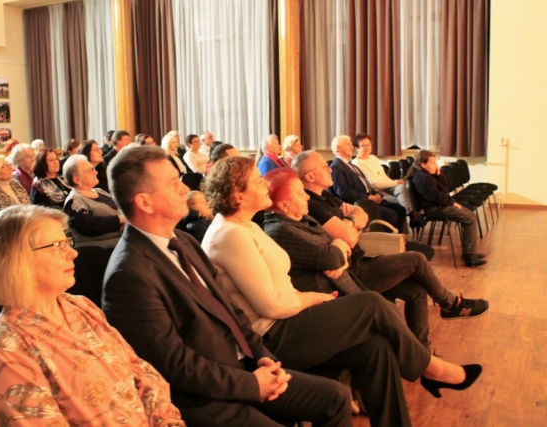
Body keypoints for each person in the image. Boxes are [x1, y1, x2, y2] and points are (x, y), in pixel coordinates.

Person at [201, 156, 484, 427]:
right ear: (238, 196)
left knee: (376, 349)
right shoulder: (229, 235)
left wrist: (325, 272)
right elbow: (272, 305)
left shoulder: (246, 226)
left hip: (287, 320)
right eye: (257, 181)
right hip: (270, 337)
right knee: (371, 304)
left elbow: (305, 272)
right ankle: (431, 368)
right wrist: (314, 298)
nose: (265, 183)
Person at [103, 146, 352, 427]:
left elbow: (231, 310)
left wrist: (265, 360)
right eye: (173, 183)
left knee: (335, 398)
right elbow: (173, 365)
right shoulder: (128, 275)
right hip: (206, 396)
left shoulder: (183, 242)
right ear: (145, 202)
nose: (184, 188)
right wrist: (251, 385)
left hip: (243, 366)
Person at [0, 205, 185, 426]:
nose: (73, 253)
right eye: (56, 246)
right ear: (17, 261)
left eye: (67, 241)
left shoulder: (79, 306)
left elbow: (140, 371)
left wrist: (167, 421)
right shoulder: (5, 351)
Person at [293, 150, 489, 325]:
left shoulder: (326, 196)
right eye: (324, 166)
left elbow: (362, 214)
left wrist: (350, 221)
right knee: (416, 260)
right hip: (354, 270)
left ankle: (422, 349)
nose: (329, 169)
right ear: (310, 176)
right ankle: (452, 304)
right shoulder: (314, 205)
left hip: (361, 257)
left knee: (417, 291)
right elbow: (351, 237)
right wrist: (352, 221)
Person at [409, 150, 487, 267]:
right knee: (470, 219)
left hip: (440, 205)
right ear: (423, 164)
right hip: (434, 208)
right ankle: (469, 257)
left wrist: (439, 175)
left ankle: (470, 252)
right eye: (433, 163)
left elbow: (445, 189)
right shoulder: (422, 178)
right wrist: (452, 203)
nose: (436, 166)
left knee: (471, 216)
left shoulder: (428, 175)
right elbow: (437, 197)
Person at [330, 135, 407, 232]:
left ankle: (397, 238)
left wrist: (375, 194)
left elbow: (365, 183)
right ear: (338, 148)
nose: (352, 147)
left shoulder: (350, 164)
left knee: (401, 210)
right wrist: (368, 197)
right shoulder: (336, 167)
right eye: (348, 144)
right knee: (391, 215)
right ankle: (387, 239)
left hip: (369, 198)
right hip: (359, 203)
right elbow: (343, 192)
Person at [63, 155, 124, 249]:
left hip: (121, 240)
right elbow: (92, 226)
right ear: (77, 180)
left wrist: (127, 221)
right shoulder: (74, 201)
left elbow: (120, 207)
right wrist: (122, 219)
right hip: (101, 249)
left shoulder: (99, 191)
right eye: (90, 170)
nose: (96, 172)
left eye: (94, 169)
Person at [351, 133, 412, 212]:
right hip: (376, 190)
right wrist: (396, 182)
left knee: (404, 189)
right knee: (396, 201)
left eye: (368, 145)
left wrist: (396, 183)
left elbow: (384, 177)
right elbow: (374, 184)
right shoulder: (357, 163)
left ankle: (412, 215)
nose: (367, 147)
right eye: (363, 146)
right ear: (357, 148)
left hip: (387, 186)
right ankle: (411, 215)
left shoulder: (373, 158)